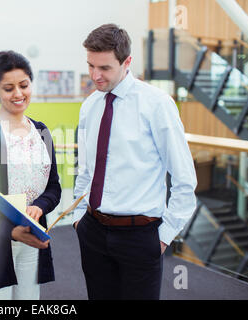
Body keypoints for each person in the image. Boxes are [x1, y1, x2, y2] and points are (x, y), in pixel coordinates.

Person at [72, 24, 197, 300]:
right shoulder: (90, 105)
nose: (95, 75)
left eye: (104, 68)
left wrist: (163, 237)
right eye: (91, 65)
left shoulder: (157, 104)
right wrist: (79, 217)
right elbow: (86, 169)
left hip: (140, 236)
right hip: (92, 230)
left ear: (127, 62)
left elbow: (185, 179)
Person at [0, 50, 61, 300]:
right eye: (8, 88)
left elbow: (53, 188)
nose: (18, 94)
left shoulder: (41, 132)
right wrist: (10, 231)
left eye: (24, 85)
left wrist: (39, 207)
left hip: (31, 236)